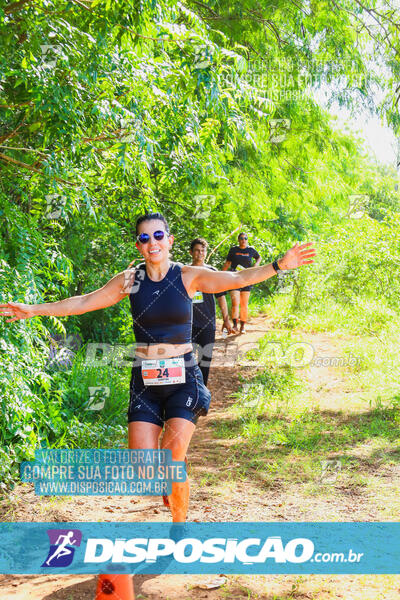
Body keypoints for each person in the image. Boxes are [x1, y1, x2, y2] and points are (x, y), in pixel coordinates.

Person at [0, 212, 315, 524]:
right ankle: (171, 469)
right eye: (145, 237)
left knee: (171, 462)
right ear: (139, 245)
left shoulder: (189, 276)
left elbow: (237, 279)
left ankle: (178, 524)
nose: (153, 242)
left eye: (159, 236)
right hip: (145, 382)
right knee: (144, 468)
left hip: (184, 378)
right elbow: (84, 301)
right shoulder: (131, 280)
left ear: (170, 240)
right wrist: (32, 310)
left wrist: (278, 265)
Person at [189, 237, 233, 386]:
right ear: (191, 252)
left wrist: (226, 319)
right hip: (187, 324)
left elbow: (221, 297)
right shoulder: (184, 271)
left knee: (204, 361)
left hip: (207, 324)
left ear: (206, 253)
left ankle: (201, 392)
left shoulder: (213, 272)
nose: (200, 253)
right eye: (197, 250)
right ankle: (186, 393)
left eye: (203, 251)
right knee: (185, 360)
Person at [222, 232, 261, 333]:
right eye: (241, 238)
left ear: (247, 240)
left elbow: (259, 257)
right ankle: (235, 325)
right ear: (238, 240)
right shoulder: (233, 250)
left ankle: (243, 326)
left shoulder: (251, 250)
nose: (243, 240)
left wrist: (256, 264)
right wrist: (221, 275)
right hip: (234, 278)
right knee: (235, 302)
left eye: (245, 238)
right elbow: (227, 263)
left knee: (244, 304)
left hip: (247, 279)